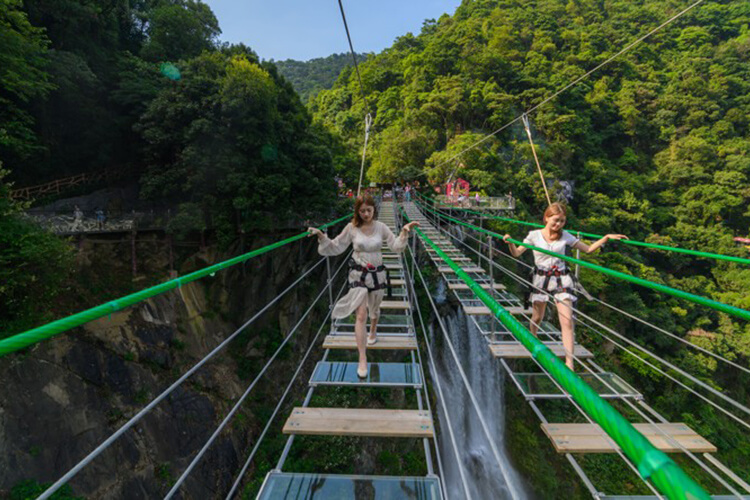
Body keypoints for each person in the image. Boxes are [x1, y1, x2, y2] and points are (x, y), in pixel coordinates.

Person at [502, 203, 626, 370]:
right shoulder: (534, 235)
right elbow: (516, 253)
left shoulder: (565, 236)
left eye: (562, 221)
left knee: (567, 321)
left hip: (562, 279)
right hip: (541, 279)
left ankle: (569, 362)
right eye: (555, 220)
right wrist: (509, 242)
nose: (558, 224)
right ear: (546, 218)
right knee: (538, 316)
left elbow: (588, 249)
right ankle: (532, 337)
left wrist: (605, 238)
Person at [308, 195, 419, 378]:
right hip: (358, 274)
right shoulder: (352, 228)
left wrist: (404, 232)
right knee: (361, 314)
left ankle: (373, 329)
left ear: (374, 209)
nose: (366, 214)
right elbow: (337, 245)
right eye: (362, 211)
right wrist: (321, 236)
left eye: (369, 210)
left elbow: (395, 246)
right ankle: (362, 357)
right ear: (357, 212)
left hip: (377, 275)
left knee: (374, 310)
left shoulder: (381, 227)